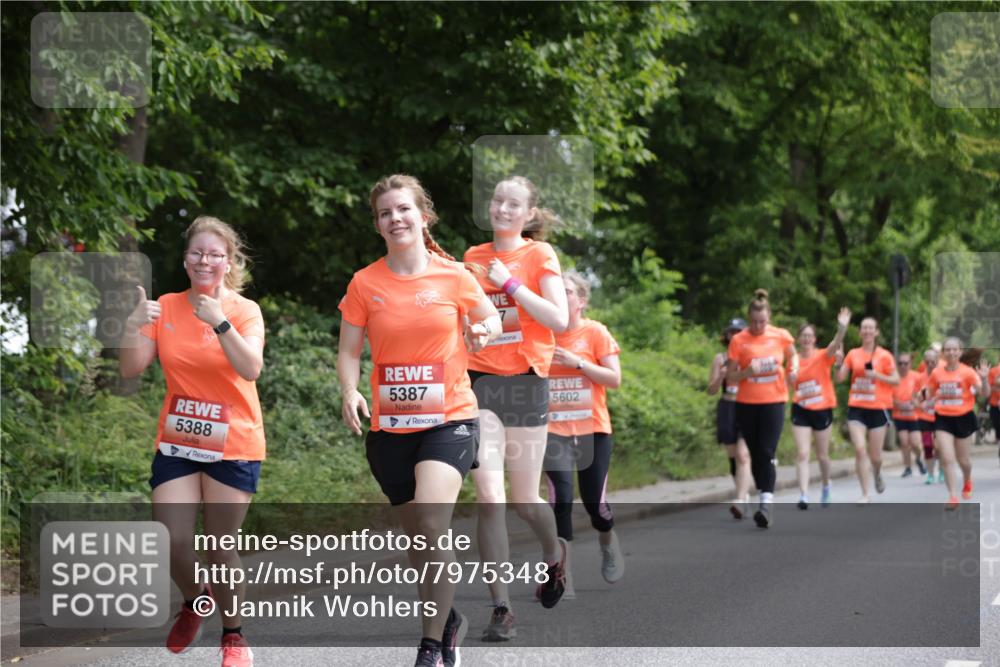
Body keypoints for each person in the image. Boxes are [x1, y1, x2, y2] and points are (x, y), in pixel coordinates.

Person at [338, 175, 501, 667]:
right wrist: (349, 390)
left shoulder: (454, 276)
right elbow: (348, 350)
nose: (396, 219)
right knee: (417, 542)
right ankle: (447, 617)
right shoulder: (365, 283)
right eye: (386, 213)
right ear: (378, 225)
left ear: (423, 216)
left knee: (432, 524)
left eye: (404, 209)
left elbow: (491, 319)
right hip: (390, 429)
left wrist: (482, 331)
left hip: (449, 418)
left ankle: (432, 645)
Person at [120, 216, 265, 667]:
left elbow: (251, 369)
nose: (205, 260)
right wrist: (131, 324)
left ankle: (234, 635)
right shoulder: (164, 306)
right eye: (197, 253)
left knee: (220, 547)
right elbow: (131, 368)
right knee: (172, 540)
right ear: (186, 260)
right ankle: (195, 600)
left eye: (214, 254)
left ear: (229, 261)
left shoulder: (244, 310)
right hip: (180, 440)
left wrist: (220, 322)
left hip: (234, 441)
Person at [464, 175, 569, 641]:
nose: (502, 208)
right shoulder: (472, 258)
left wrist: (510, 284)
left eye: (514, 204)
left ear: (529, 214)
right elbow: (472, 319)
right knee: (490, 496)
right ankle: (501, 607)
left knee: (525, 501)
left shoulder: (538, 255)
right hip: (480, 381)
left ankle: (553, 556)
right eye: (497, 200)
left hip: (527, 383)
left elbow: (559, 319)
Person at [543, 271, 623, 598]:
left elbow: (614, 378)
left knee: (596, 506)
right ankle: (564, 574)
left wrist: (578, 363)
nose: (562, 298)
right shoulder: (541, 334)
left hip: (592, 429)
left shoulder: (595, 333)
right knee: (560, 500)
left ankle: (607, 540)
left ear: (582, 300)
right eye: (556, 293)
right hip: (552, 430)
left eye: (568, 292)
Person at [726, 289, 797, 528]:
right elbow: (730, 375)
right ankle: (764, 492)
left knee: (766, 450)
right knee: (756, 454)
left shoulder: (780, 335)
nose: (758, 326)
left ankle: (766, 503)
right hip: (746, 403)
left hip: (774, 401)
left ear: (769, 317)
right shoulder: (739, 340)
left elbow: (792, 356)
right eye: (754, 322)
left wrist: (793, 369)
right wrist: (747, 372)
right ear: (748, 318)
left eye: (763, 321)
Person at [790, 308, 850, 509]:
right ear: (799, 339)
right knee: (802, 453)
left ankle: (826, 485)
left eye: (810, 336)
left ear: (814, 339)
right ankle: (804, 495)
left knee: (822, 455)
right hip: (801, 408)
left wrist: (842, 329)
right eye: (803, 336)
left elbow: (835, 345)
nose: (806, 339)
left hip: (822, 409)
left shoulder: (823, 355)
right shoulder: (794, 359)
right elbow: (790, 383)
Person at [836, 317, 900, 504]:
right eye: (864, 328)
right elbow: (839, 379)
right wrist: (838, 363)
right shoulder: (853, 354)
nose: (867, 331)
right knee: (859, 449)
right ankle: (865, 493)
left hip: (878, 408)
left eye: (871, 328)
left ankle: (877, 472)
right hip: (857, 407)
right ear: (860, 332)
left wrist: (877, 375)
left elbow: (896, 380)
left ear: (876, 332)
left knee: (875, 456)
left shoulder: (885, 355)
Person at [923, 338, 989, 509]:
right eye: (948, 350)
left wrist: (985, 379)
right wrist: (925, 401)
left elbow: (983, 393)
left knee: (963, 460)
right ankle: (952, 496)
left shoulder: (968, 372)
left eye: (955, 350)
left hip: (964, 417)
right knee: (946, 457)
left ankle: (967, 479)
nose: (951, 353)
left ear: (960, 352)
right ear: (943, 353)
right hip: (943, 418)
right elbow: (930, 394)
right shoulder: (937, 373)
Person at [707, 318, 752, 518]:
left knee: (743, 454)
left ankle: (740, 499)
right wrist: (721, 376)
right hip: (727, 406)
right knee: (733, 455)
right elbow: (711, 390)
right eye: (731, 332)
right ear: (726, 336)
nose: (734, 336)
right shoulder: (720, 358)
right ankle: (744, 493)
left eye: (738, 332)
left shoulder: (749, 356)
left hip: (746, 405)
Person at [892, 352, 926, 478]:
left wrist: (916, 402)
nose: (903, 366)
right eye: (900, 363)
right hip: (899, 415)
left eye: (905, 363)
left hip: (914, 415)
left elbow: (924, 392)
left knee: (916, 443)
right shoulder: (893, 378)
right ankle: (907, 467)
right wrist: (898, 404)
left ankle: (919, 458)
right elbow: (887, 395)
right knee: (904, 442)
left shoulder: (916, 377)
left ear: (910, 364)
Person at [987, 357, 1000, 452]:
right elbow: (988, 389)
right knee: (997, 425)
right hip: (995, 404)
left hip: (995, 404)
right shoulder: (993, 371)